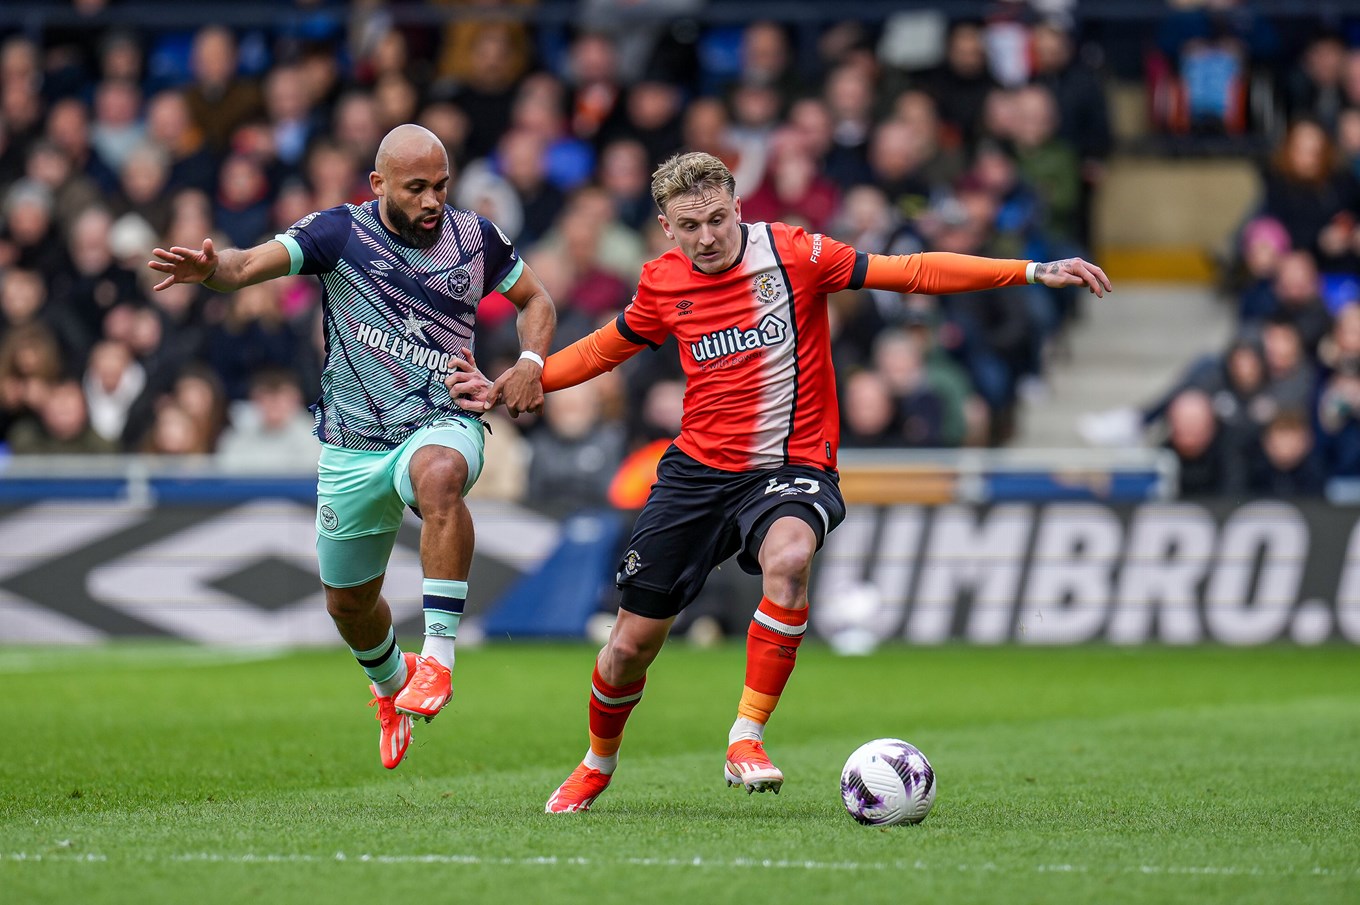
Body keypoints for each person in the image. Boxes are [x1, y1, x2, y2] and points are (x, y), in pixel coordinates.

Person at [451, 151, 1111, 813]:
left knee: (789, 558)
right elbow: (606, 345)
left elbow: (911, 271)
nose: (706, 236)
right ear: (665, 226)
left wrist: (1031, 269)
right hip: (697, 473)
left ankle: (747, 735)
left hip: (792, 465)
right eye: (689, 225)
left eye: (716, 218)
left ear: (738, 206)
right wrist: (521, 378)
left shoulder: (796, 253)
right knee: (627, 648)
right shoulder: (663, 282)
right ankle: (597, 763)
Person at [147, 124, 556, 770]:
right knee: (348, 603)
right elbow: (247, 264)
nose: (431, 201)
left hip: (443, 417)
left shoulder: (474, 238)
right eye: (415, 188)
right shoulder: (338, 233)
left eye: (440, 186)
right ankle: (393, 685)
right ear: (378, 185)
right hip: (353, 444)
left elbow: (537, 298)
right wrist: (211, 271)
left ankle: (441, 658)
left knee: (441, 472)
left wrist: (532, 357)